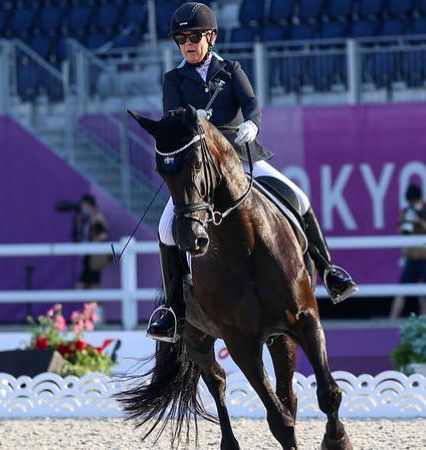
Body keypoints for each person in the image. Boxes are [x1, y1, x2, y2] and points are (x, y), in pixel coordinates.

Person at [146, 2, 358, 342]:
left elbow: (252, 104)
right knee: (166, 228)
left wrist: (252, 126)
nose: (188, 43)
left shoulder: (230, 70)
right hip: (202, 166)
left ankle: (331, 271)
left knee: (299, 198)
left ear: (210, 37)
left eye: (194, 36)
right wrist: (191, 118)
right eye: (182, 38)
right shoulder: (174, 79)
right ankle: (172, 309)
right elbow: (172, 115)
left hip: (240, 157)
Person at [389, 184, 426, 320]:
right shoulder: (406, 211)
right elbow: (402, 233)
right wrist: (403, 221)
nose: (413, 204)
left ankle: (424, 319)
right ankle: (391, 320)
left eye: (415, 201)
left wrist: (420, 222)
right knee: (401, 290)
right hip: (412, 257)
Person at [74, 194, 110, 290]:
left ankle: (98, 305)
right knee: (93, 286)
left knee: (88, 286)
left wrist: (92, 245)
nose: (83, 209)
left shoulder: (97, 220)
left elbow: (104, 235)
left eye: (85, 206)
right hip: (89, 258)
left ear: (92, 207)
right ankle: (97, 305)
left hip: (94, 258)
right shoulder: (88, 219)